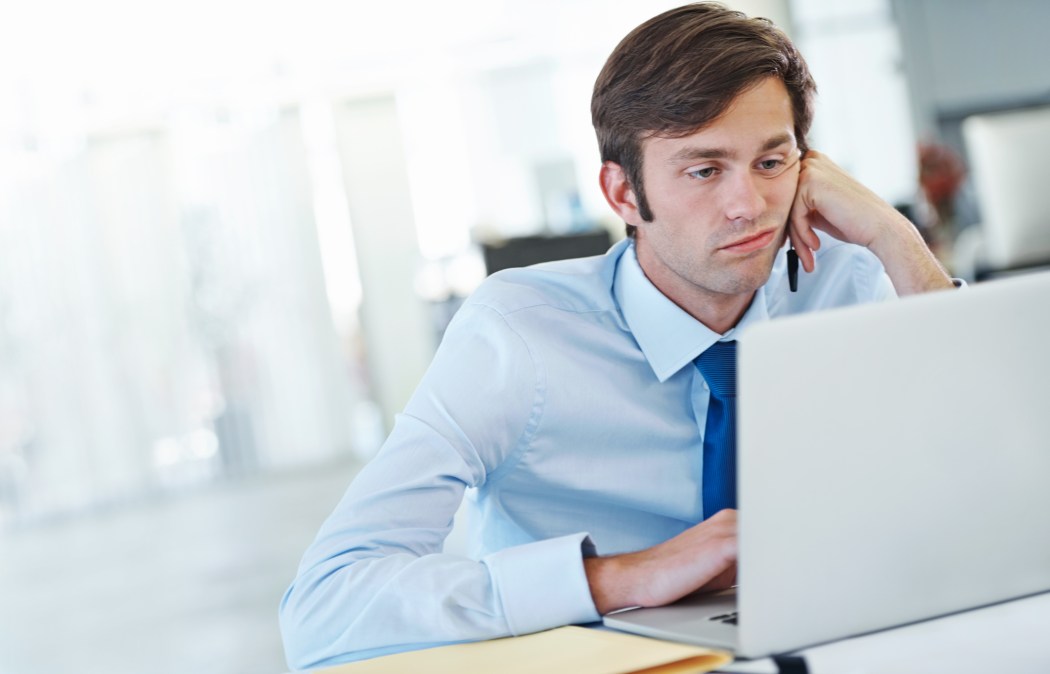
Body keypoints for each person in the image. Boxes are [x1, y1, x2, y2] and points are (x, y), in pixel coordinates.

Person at [279, 3, 956, 669]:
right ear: (624, 194)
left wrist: (895, 238)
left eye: (772, 163)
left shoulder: (848, 282)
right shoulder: (518, 334)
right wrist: (622, 578)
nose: (748, 204)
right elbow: (325, 606)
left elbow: (1011, 468)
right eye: (704, 170)